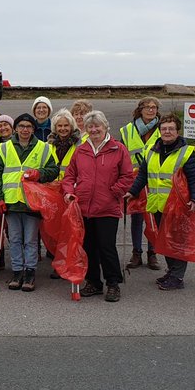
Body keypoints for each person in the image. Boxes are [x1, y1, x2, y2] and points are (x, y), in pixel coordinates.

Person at [63, 111, 136, 301]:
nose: (94, 130)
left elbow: (127, 176)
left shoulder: (118, 149)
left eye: (98, 126)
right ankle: (94, 282)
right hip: (84, 208)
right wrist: (69, 192)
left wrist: (114, 192)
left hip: (107, 208)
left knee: (106, 247)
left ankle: (113, 283)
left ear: (105, 127)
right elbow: (70, 175)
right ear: (86, 129)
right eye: (90, 127)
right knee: (88, 247)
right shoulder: (81, 150)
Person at [126, 113, 195, 291]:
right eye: (164, 129)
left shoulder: (187, 152)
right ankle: (172, 271)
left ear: (178, 131)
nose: (167, 132)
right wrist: (132, 191)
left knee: (177, 241)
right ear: (159, 131)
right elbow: (143, 175)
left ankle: (177, 277)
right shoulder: (152, 151)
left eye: (171, 129)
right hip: (158, 205)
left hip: (178, 206)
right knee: (166, 240)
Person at [0, 113, 58, 291]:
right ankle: (17, 271)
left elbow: (53, 170)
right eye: (21, 126)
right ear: (16, 129)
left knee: (30, 240)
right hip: (11, 201)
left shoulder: (43, 148)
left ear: (33, 129)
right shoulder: (5, 148)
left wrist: (39, 174)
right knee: (14, 239)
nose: (25, 130)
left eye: (28, 127)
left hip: (32, 202)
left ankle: (30, 272)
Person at [120, 97, 162, 271]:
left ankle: (153, 252)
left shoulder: (163, 128)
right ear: (140, 109)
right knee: (136, 217)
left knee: (153, 217)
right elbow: (121, 157)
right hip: (134, 180)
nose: (151, 110)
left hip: (155, 181)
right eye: (148, 107)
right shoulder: (127, 131)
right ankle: (136, 252)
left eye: (154, 108)